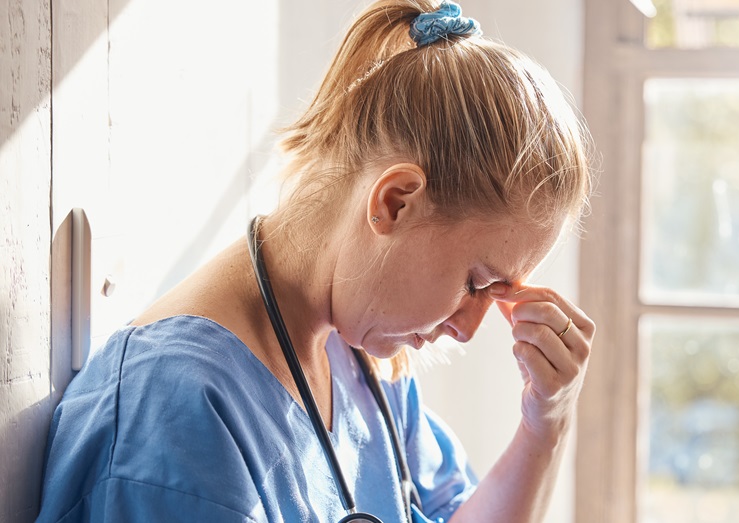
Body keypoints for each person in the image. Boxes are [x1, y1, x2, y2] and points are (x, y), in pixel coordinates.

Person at [37, 0, 594, 521]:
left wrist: (546, 420)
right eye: (476, 283)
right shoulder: (171, 412)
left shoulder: (361, 359)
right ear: (394, 202)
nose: (470, 330)